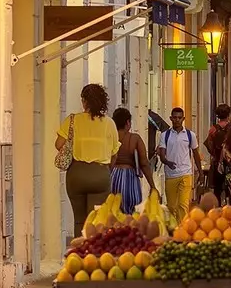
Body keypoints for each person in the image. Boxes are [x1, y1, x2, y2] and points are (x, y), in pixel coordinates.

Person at [56, 84, 115, 234]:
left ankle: (79, 252)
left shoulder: (72, 120)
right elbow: (114, 153)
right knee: (97, 219)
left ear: (84, 101)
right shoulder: (109, 123)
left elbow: (59, 144)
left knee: (79, 220)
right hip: (100, 175)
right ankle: (95, 252)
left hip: (77, 174)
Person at [157, 108, 201, 222]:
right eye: (175, 118)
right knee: (172, 206)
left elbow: (196, 154)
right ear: (171, 119)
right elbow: (161, 155)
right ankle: (174, 228)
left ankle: (183, 228)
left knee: (183, 205)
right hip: (170, 175)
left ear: (183, 119)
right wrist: (167, 162)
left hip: (185, 174)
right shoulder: (165, 135)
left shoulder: (190, 135)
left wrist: (200, 172)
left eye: (179, 118)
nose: (177, 120)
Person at [110, 106, 156, 213]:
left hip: (113, 176)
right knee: (132, 212)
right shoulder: (135, 138)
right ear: (128, 122)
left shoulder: (110, 137)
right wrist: (152, 186)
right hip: (130, 178)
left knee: (114, 211)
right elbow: (144, 163)